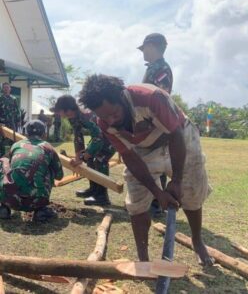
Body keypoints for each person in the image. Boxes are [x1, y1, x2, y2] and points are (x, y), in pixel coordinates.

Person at [79, 74, 214, 266]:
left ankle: (197, 241)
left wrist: (176, 181)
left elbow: (175, 135)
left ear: (122, 97)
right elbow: (130, 157)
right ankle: (143, 258)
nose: (111, 120)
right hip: (143, 146)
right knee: (137, 199)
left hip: (179, 135)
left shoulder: (151, 97)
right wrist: (157, 192)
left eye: (115, 113)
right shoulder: (105, 124)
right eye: (104, 117)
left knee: (191, 190)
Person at [53, 95, 115, 206]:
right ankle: (94, 190)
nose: (58, 113)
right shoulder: (73, 117)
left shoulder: (85, 116)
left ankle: (102, 197)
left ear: (67, 109)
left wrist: (87, 154)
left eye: (59, 110)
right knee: (90, 160)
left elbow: (99, 137)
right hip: (101, 138)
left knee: (100, 161)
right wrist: (78, 158)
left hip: (111, 138)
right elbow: (78, 138)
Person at [0, 120, 63, 222]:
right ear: (44, 134)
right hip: (35, 201)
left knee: (4, 161)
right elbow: (59, 176)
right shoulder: (48, 147)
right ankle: (40, 210)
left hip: (10, 200)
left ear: (26, 133)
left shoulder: (16, 145)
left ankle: (3, 207)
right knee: (49, 168)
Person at [138, 33, 173, 214]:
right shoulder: (153, 68)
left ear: (151, 46)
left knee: (156, 162)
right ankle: (153, 201)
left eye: (144, 49)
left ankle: (156, 203)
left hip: (155, 123)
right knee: (150, 161)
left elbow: (161, 98)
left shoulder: (161, 69)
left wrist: (153, 124)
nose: (142, 53)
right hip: (149, 122)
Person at [0, 82, 21, 157]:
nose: (6, 89)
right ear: (2, 89)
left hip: (12, 122)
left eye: (7, 87)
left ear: (10, 89)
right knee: (1, 140)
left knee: (13, 139)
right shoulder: (1, 98)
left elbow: (17, 110)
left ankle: (13, 155)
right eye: (4, 87)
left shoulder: (14, 99)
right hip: (2, 123)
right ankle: (1, 156)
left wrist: (18, 120)